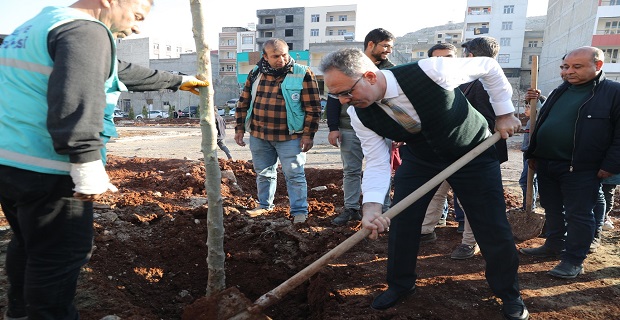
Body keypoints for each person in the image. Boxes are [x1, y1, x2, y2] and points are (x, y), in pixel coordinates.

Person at [0, 1, 209, 319]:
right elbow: (77, 94)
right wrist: (85, 163)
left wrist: (176, 80)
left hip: (11, 163)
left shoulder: (38, 25)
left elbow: (115, 70)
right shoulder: (86, 30)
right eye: (137, 15)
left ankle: (17, 313)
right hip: (50, 169)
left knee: (29, 244)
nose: (137, 26)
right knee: (59, 258)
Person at [320, 48, 528, 320]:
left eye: (346, 92)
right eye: (336, 96)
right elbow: (378, 161)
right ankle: (400, 285)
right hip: (422, 159)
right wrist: (371, 206)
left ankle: (509, 293)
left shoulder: (432, 71)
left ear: (369, 76)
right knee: (403, 222)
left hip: (472, 151)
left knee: (491, 224)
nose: (344, 101)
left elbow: (488, 66)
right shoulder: (362, 115)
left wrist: (504, 113)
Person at [520, 46, 620, 279]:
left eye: (577, 67)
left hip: (581, 167)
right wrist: (534, 153)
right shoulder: (561, 90)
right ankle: (553, 245)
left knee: (579, 214)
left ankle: (574, 260)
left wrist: (611, 165)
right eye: (565, 67)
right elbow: (545, 120)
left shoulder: (613, 92)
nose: (568, 72)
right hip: (547, 163)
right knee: (552, 208)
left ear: (598, 66)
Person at [234, 38, 321, 224]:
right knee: (264, 173)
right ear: (265, 56)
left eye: (284, 54)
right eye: (275, 56)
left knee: (295, 175)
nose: (281, 59)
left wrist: (308, 134)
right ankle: (264, 206)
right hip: (259, 135)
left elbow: (313, 108)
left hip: (290, 137)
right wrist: (239, 128)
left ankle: (299, 211)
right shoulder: (255, 73)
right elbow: (244, 102)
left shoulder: (302, 73)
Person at [327, 28, 396, 226]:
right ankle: (351, 208)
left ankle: (384, 209)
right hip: (349, 128)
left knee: (382, 167)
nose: (388, 51)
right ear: (371, 44)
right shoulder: (345, 67)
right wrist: (333, 127)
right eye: (385, 46)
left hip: (383, 129)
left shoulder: (390, 70)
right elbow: (333, 99)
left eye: (391, 47)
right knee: (351, 170)